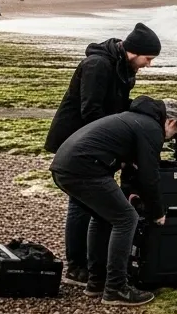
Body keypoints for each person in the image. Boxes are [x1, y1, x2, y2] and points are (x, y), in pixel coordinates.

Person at [44, 23, 162, 286]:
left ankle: (93, 267)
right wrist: (114, 143)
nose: (148, 65)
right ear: (135, 52)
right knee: (81, 205)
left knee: (95, 209)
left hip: (98, 146)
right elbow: (91, 111)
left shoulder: (124, 67)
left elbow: (121, 107)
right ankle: (77, 267)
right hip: (80, 142)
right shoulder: (98, 65)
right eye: (148, 59)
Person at [50, 96, 177, 306]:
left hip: (63, 166)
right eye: (173, 134)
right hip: (85, 169)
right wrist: (158, 212)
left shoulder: (131, 119)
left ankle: (96, 282)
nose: (169, 138)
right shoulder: (151, 128)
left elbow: (133, 167)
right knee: (127, 219)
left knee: (102, 217)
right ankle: (116, 288)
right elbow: (150, 176)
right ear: (172, 122)